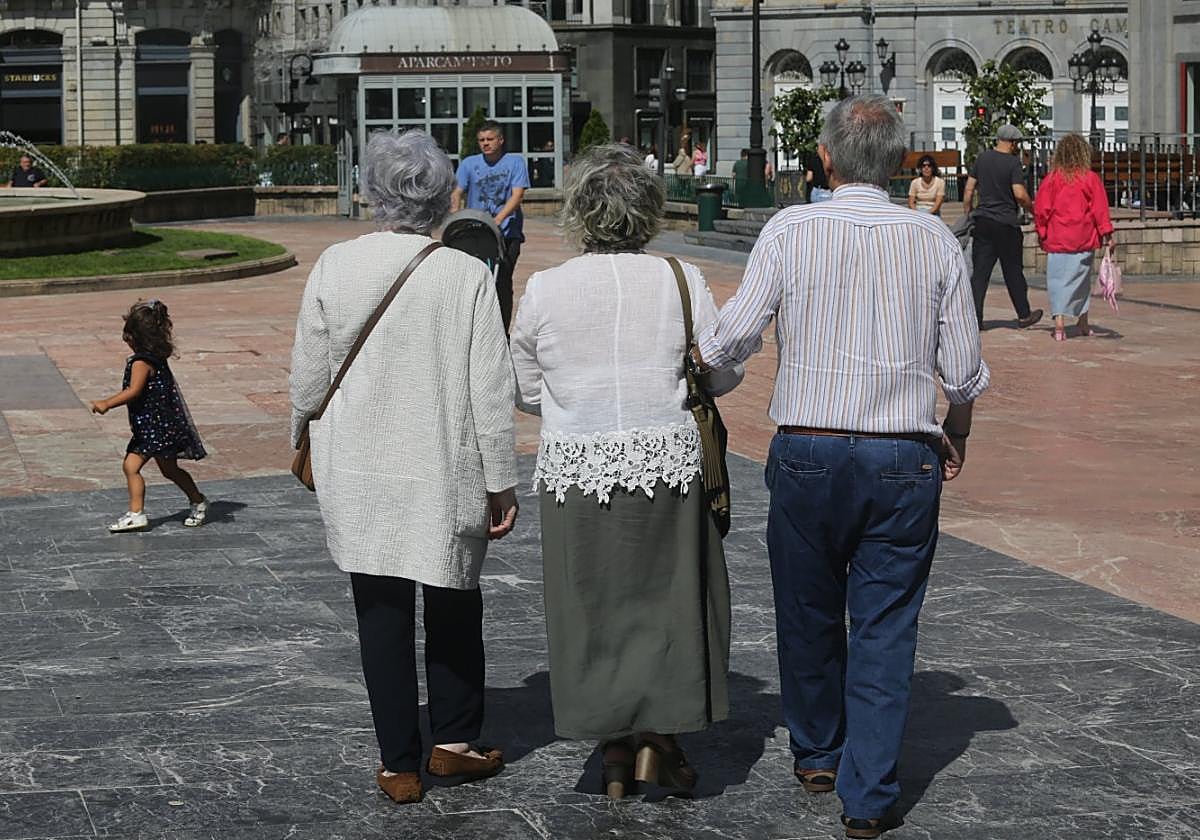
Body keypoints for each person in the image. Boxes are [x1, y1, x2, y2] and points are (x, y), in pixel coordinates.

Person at [698, 95, 989, 839]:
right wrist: (954, 430)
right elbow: (961, 373)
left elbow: (729, 343)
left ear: (825, 158)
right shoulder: (932, 240)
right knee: (887, 624)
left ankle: (817, 751)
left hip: (809, 448)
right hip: (902, 453)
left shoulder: (790, 228)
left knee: (807, 610)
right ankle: (868, 796)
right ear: (898, 162)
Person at [290, 129, 519, 806]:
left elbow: (308, 372)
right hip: (443, 463)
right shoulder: (465, 274)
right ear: (443, 195)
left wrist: (298, 433)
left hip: (361, 461)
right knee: (453, 598)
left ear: (373, 192)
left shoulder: (335, 263)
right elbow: (490, 389)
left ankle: (398, 762)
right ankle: (454, 742)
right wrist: (501, 479)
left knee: (379, 611)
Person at [510, 143, 742, 801]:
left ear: (580, 213)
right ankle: (658, 736)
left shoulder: (547, 288)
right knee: (669, 604)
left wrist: (573, 395)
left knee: (593, 608)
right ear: (647, 212)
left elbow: (523, 386)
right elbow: (723, 370)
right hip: (666, 463)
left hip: (579, 464)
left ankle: (615, 744)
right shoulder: (680, 278)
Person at [89, 299, 209, 532]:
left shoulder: (141, 362)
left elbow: (133, 391)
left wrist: (107, 403)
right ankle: (194, 501)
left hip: (155, 429)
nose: (125, 339)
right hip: (154, 427)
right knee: (165, 469)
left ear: (135, 338)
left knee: (134, 467)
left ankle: (142, 512)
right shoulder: (156, 357)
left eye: (128, 335)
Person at [960, 124, 1044, 329]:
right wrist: (1033, 209)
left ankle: (975, 319)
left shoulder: (982, 158)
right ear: (1013, 143)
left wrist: (969, 213)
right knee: (1013, 271)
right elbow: (1019, 194)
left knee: (980, 273)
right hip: (1006, 224)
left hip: (983, 222)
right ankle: (1024, 315)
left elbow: (969, 190)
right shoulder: (1012, 163)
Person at [1033, 133, 1115, 341]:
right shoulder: (1090, 178)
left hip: (1057, 238)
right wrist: (1107, 234)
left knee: (1057, 281)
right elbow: (1100, 209)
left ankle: (1059, 324)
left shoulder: (1051, 180)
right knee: (1081, 281)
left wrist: (1042, 232)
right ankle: (1083, 321)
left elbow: (1042, 209)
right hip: (1083, 237)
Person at [451, 120, 530, 332]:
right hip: (477, 232)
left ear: (500, 140)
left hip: (506, 233)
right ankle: (475, 327)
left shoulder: (515, 163)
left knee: (501, 282)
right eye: (481, 140)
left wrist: (499, 219)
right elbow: (457, 192)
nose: (485, 144)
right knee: (475, 281)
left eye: (490, 139)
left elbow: (518, 194)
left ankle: (502, 331)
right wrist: (456, 214)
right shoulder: (469, 164)